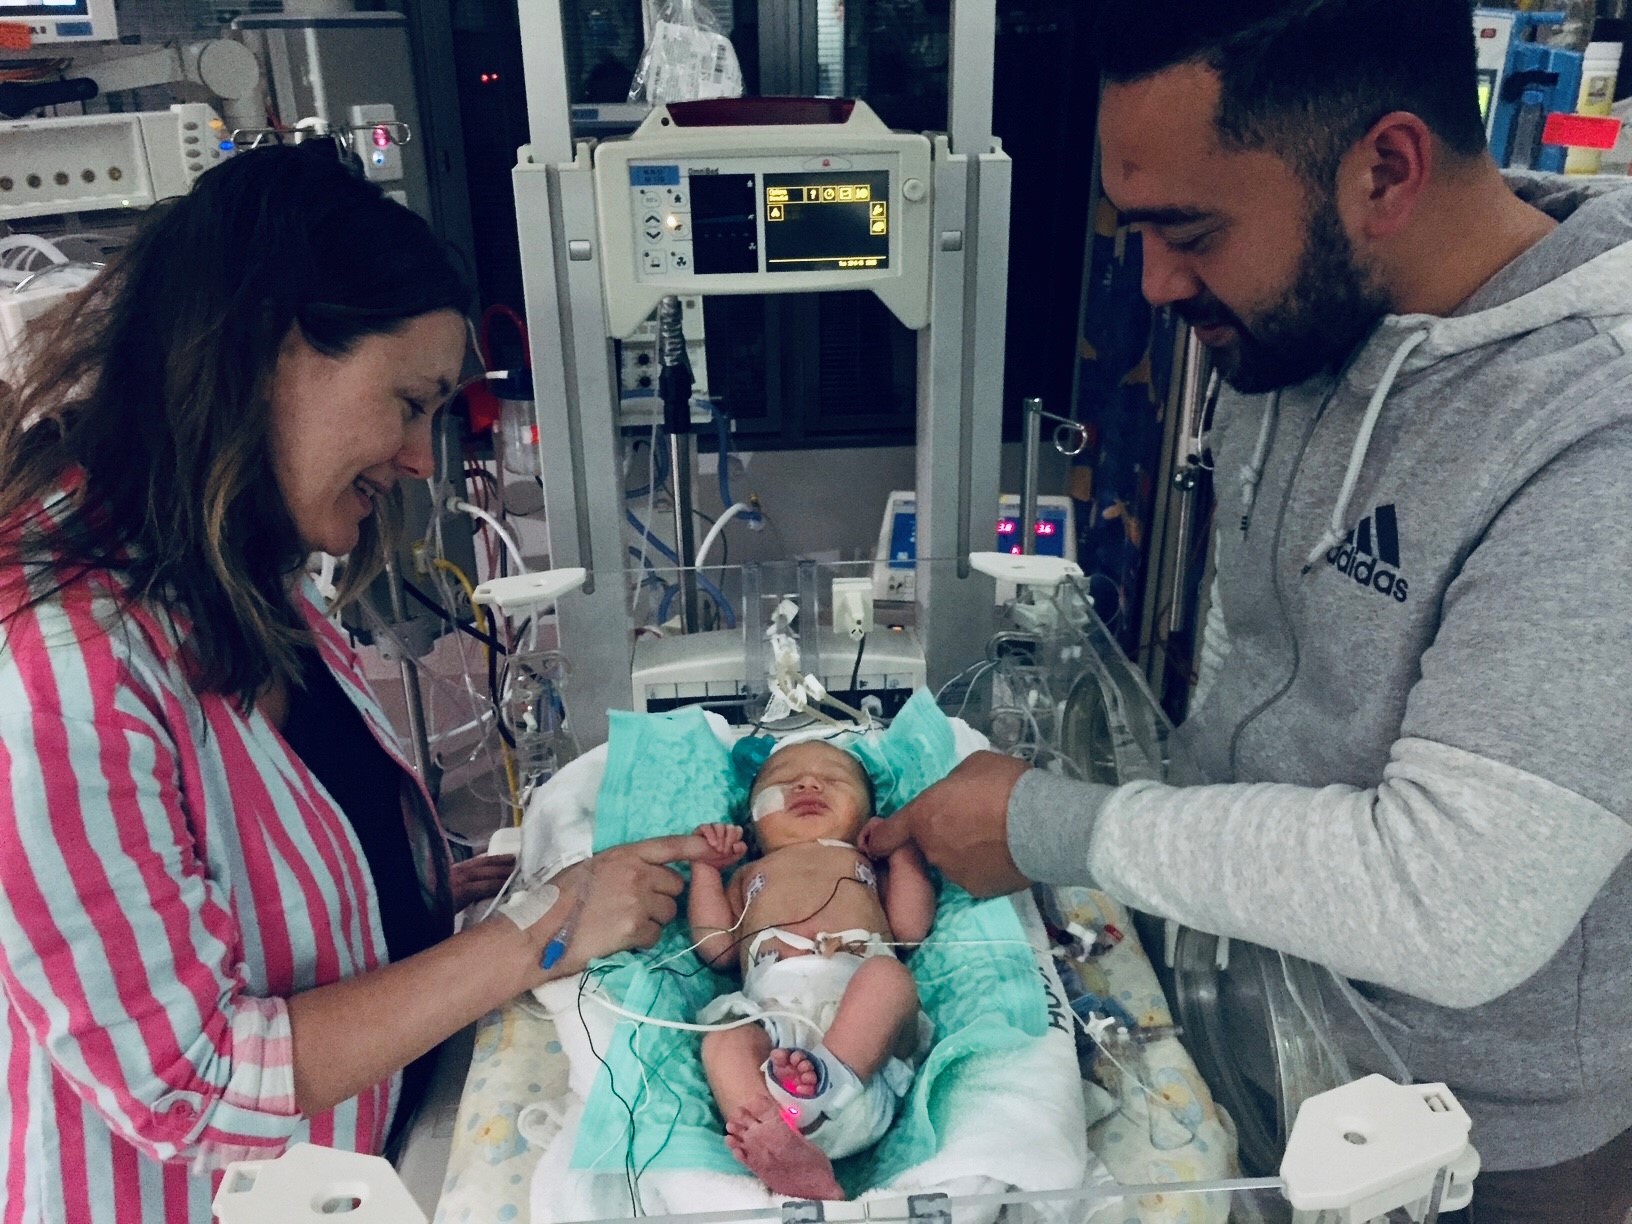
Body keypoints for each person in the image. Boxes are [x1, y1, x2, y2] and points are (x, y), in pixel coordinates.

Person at [868, 2, 1632, 1220]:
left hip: (1455, 1136)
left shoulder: (1591, 433)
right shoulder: (1300, 325)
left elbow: (1457, 901)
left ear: (1386, 170)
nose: (1159, 282)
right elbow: (1253, 656)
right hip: (1241, 1006)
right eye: (1141, 230)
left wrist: (1059, 825)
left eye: (1192, 232)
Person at [0, 143, 713, 1224]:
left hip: (359, 1166)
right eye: (411, 401)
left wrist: (422, 886)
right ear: (268, 352)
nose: (425, 459)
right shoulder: (55, 663)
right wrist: (543, 934)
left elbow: (251, 850)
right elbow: (192, 1079)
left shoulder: (236, 573)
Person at [687, 740, 935, 1201]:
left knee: (889, 979)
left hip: (863, 1048)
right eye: (783, 781)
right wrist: (705, 869)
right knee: (724, 1039)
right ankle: (782, 1148)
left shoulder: (860, 863)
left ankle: (820, 1096)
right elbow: (717, 948)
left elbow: (909, 928)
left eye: (835, 779)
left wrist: (900, 850)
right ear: (752, 824)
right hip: (774, 1036)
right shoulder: (749, 874)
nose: (807, 783)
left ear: (866, 818)